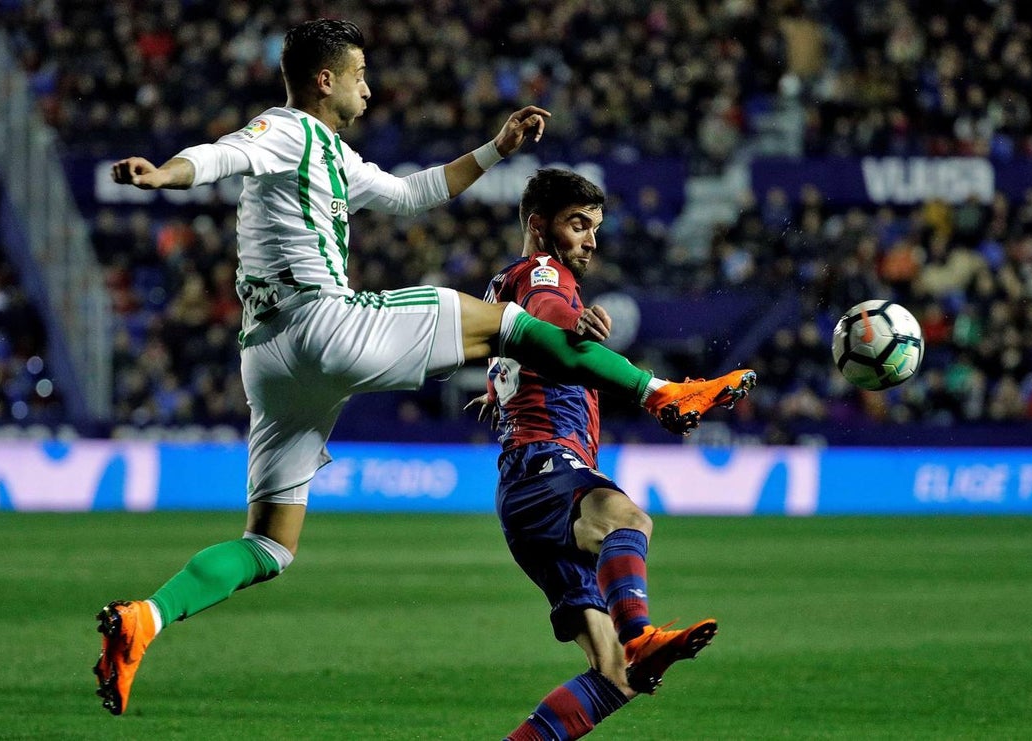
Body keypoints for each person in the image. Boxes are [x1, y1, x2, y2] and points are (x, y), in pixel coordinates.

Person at [94, 19, 757, 716]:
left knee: (269, 544)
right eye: (359, 76)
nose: (369, 89)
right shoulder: (288, 129)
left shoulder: (335, 157)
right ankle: (663, 394)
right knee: (503, 323)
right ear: (325, 80)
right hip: (325, 323)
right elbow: (226, 154)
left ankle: (147, 618)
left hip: (267, 360)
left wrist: (496, 149)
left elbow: (414, 194)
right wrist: (167, 171)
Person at [469, 169, 753, 740]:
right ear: (538, 226)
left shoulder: (501, 287)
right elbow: (546, 310)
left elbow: (520, 339)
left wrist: (504, 385)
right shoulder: (542, 272)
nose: (591, 240)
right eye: (578, 225)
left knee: (616, 674)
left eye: (595, 227)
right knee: (627, 519)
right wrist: (569, 321)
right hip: (545, 465)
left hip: (522, 493)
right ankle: (642, 631)